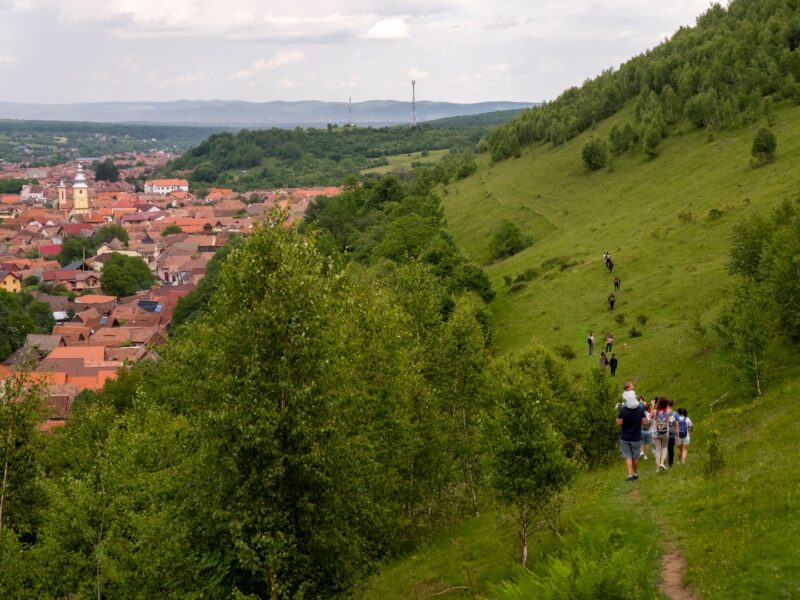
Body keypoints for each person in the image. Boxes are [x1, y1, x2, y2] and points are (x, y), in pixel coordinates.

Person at [616, 382, 648, 481]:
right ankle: (635, 474)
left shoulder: (623, 410)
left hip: (625, 437)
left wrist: (617, 419)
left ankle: (629, 475)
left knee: (628, 457)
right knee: (636, 458)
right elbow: (645, 423)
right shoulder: (640, 410)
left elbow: (618, 423)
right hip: (636, 437)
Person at [653, 397, 671, 471]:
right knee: (664, 447)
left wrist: (654, 404)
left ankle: (657, 468)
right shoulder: (667, 412)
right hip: (664, 432)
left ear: (659, 403)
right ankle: (662, 463)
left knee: (658, 450)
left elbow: (653, 417)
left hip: (656, 433)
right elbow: (667, 421)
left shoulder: (655, 412)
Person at [667, 398, 677, 467]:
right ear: (672, 405)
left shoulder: (663, 412)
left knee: (663, 449)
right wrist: (677, 436)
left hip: (663, 434)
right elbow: (677, 426)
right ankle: (670, 462)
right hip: (672, 435)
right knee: (671, 450)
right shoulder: (675, 414)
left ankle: (662, 463)